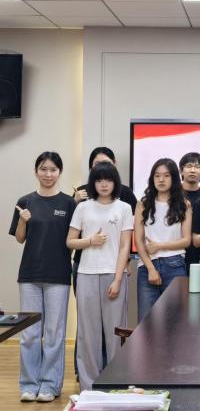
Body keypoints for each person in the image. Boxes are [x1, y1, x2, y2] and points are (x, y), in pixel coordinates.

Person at [9, 151, 76, 403]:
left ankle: (50, 385)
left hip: (58, 275)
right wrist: (23, 220)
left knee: (54, 333)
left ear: (60, 172)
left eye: (53, 170)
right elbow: (20, 238)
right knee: (29, 333)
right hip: (29, 275)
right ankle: (29, 385)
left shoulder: (69, 203)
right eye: (43, 169)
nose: (48, 174)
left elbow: (73, 239)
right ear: (36, 171)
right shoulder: (25, 201)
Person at [66, 162, 133, 392]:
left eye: (108, 179)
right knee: (88, 335)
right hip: (86, 274)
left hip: (114, 275)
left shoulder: (124, 208)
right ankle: (89, 388)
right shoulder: (83, 208)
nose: (104, 184)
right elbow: (70, 241)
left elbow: (125, 246)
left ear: (115, 182)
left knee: (115, 334)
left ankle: (116, 385)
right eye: (99, 180)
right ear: (92, 183)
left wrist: (118, 279)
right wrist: (90, 241)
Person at [135, 158, 192, 322]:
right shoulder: (143, 204)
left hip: (175, 265)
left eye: (166, 175)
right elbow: (138, 240)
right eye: (157, 175)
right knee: (146, 322)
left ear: (174, 178)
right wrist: (151, 268)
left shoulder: (184, 204)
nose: (161, 179)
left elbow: (186, 240)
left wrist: (160, 246)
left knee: (176, 322)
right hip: (146, 267)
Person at [179, 152, 200, 270]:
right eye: (189, 166)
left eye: (197, 167)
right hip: (175, 254)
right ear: (181, 171)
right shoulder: (171, 195)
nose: (193, 170)